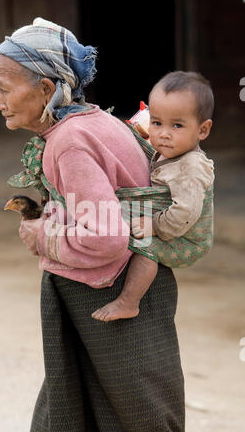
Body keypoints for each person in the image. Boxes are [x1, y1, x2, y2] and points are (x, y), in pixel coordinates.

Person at [0, 17, 185, 432]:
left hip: (104, 294)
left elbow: (105, 238)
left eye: (5, 89)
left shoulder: (70, 141)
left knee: (129, 419)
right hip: (126, 286)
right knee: (107, 410)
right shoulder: (95, 120)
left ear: (46, 88)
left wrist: (42, 236)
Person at [92, 71, 215, 322]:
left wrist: (154, 226)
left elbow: (186, 213)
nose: (164, 134)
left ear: (203, 130)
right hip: (176, 226)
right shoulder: (170, 150)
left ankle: (129, 302)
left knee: (144, 247)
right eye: (157, 122)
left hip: (188, 239)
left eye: (177, 125)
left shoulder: (191, 168)